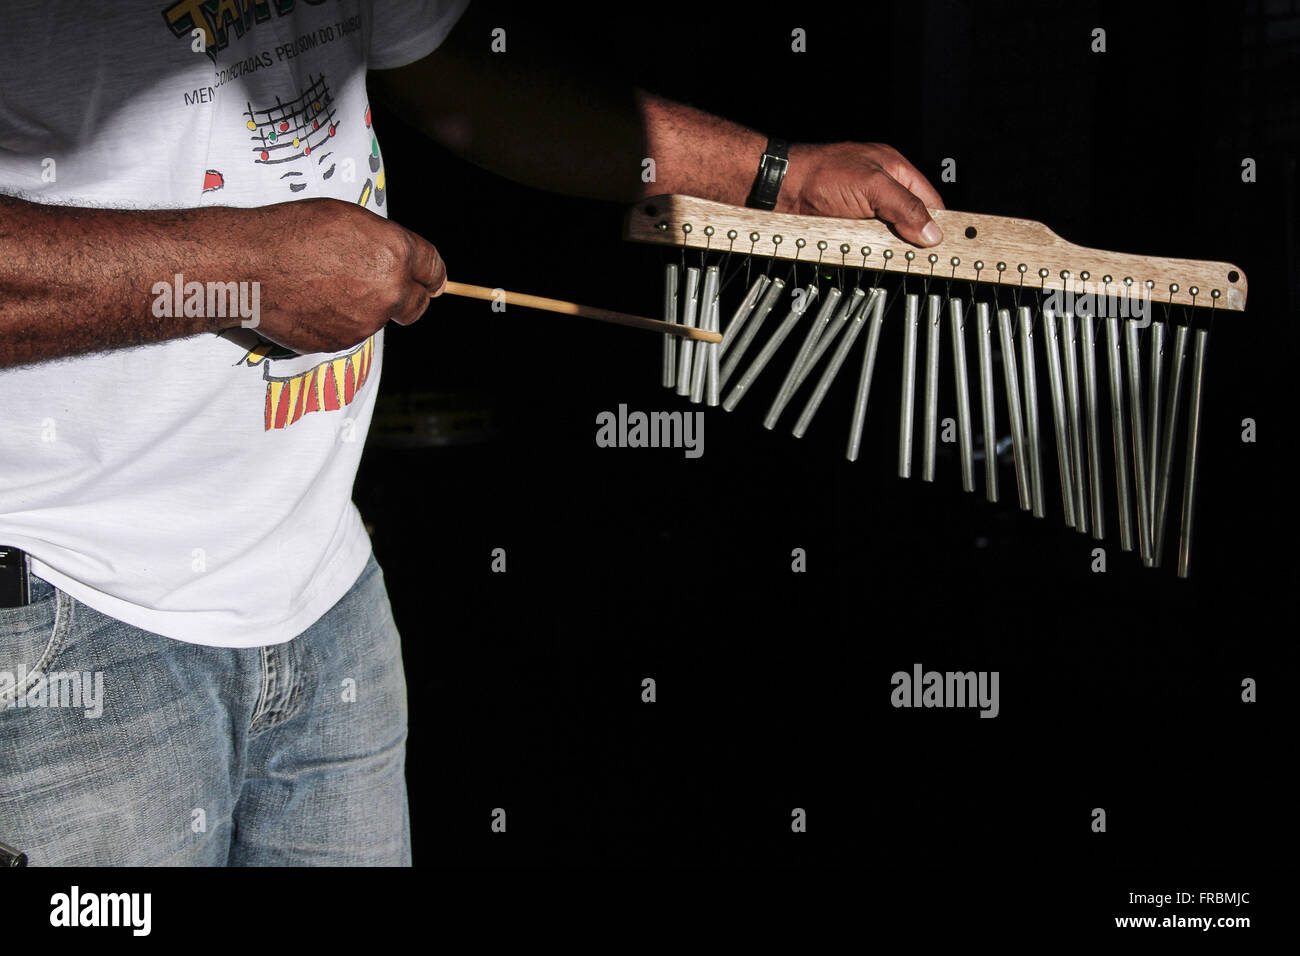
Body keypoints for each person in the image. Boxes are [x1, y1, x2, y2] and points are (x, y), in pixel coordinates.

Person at [0, 0, 943, 865]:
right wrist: (244, 269)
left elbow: (459, 74)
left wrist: (776, 174)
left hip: (326, 592)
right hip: (69, 623)